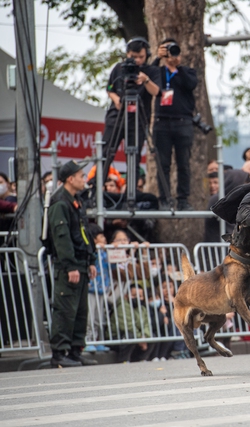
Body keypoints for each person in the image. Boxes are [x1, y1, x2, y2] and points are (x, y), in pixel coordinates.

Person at [47, 160, 98, 368]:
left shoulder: (75, 199)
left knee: (79, 311)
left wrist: (91, 260)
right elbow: (62, 238)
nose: (84, 179)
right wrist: (70, 266)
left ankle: (76, 351)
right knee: (65, 309)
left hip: (81, 263)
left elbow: (84, 233)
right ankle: (59, 354)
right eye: (81, 175)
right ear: (70, 179)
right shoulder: (60, 202)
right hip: (69, 265)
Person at [102, 38, 160, 187]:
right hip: (117, 116)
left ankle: (131, 193)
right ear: (128, 54)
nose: (138, 60)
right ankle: (97, 190)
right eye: (134, 57)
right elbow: (109, 88)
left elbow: (157, 92)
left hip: (137, 120)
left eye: (141, 57)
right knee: (106, 153)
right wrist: (115, 99)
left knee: (133, 157)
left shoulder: (151, 71)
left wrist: (146, 80)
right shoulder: (119, 68)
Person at [153, 38, 198, 211]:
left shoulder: (186, 71)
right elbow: (148, 77)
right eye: (168, 50)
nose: (172, 54)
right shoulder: (158, 71)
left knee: (183, 164)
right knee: (163, 164)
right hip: (162, 123)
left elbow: (191, 84)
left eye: (174, 50)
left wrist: (177, 66)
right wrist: (158, 59)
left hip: (183, 123)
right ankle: (164, 199)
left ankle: (183, 200)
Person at [84, 223, 111, 353]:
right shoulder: (91, 252)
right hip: (91, 288)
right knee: (90, 316)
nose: (104, 238)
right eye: (101, 236)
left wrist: (114, 251)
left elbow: (112, 266)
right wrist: (98, 249)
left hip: (102, 288)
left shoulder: (105, 253)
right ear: (94, 239)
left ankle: (98, 340)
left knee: (99, 317)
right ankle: (88, 340)